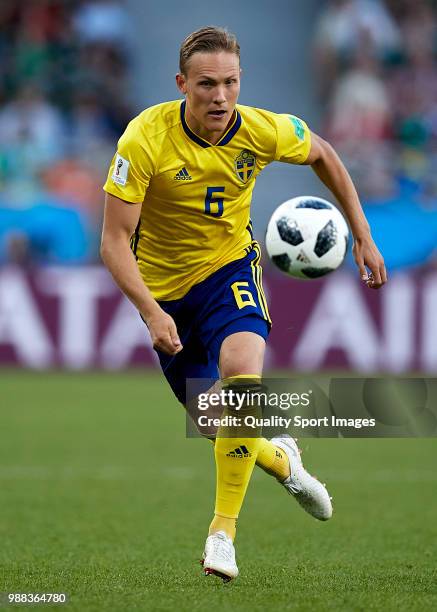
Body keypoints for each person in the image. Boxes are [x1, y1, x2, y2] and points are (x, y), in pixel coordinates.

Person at [100, 26, 387, 582]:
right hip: (164, 292)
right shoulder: (143, 140)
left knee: (241, 375)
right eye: (207, 84)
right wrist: (151, 312)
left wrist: (364, 235)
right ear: (182, 83)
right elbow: (113, 242)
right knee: (216, 424)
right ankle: (283, 459)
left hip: (230, 269)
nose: (221, 96)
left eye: (230, 82)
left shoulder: (259, 129)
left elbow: (323, 152)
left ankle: (222, 534)